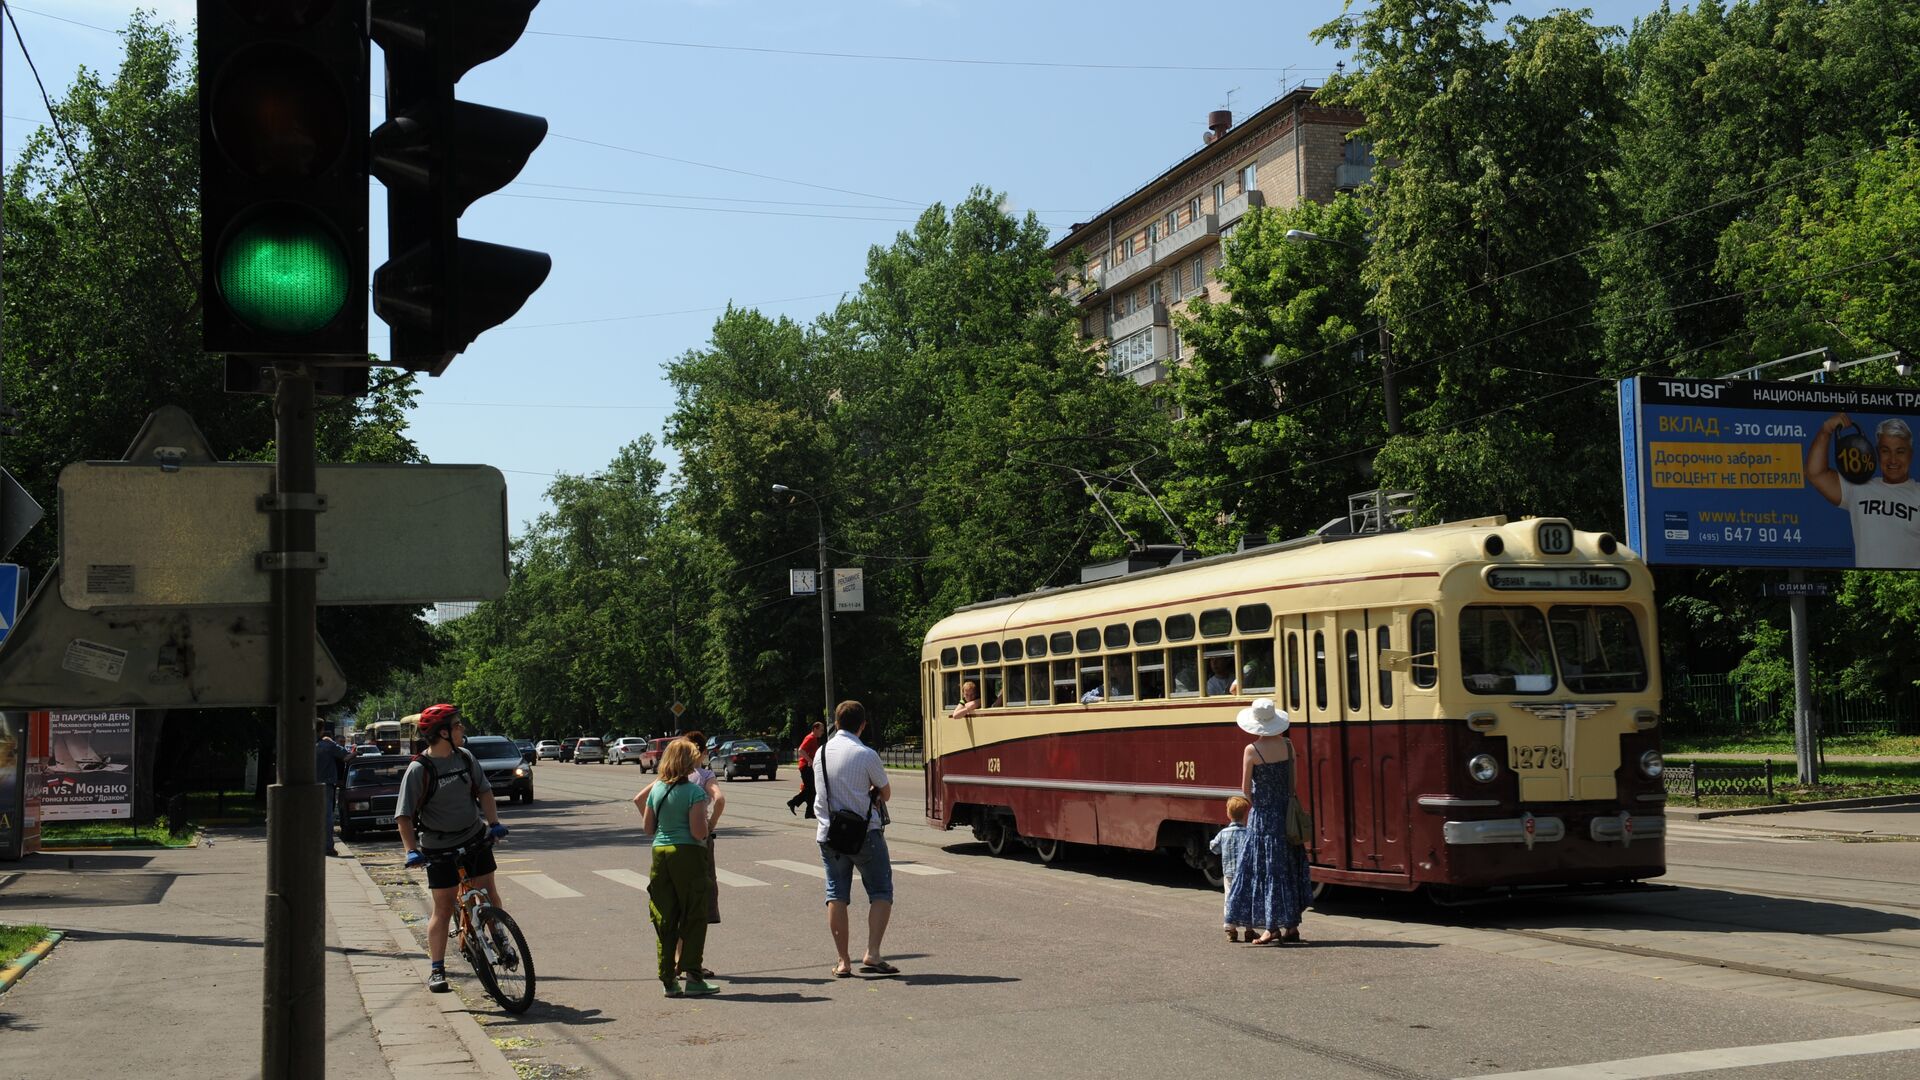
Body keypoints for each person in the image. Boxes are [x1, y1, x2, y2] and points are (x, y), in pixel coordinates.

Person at [394, 704, 512, 994]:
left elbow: (484, 791)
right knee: (444, 907)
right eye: (458, 725)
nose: (463, 729)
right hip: (438, 846)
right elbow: (404, 816)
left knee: (487, 891)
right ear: (443, 732)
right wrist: (412, 850)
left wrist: (494, 823)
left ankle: (500, 936)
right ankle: (437, 969)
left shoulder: (465, 758)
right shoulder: (419, 769)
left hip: (473, 836)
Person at [815, 700, 897, 978]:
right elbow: (885, 794)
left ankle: (842, 961)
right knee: (881, 891)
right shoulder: (866, 754)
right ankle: (872, 953)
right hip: (865, 835)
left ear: (836, 723)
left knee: (836, 894)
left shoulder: (820, 753)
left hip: (829, 834)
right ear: (862, 725)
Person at [635, 739, 722, 997]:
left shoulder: (658, 789)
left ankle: (668, 980)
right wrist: (706, 827)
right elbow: (698, 832)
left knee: (665, 917)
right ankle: (693, 977)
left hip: (660, 855)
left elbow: (648, 828)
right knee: (694, 915)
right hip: (688, 855)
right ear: (687, 762)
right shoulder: (695, 793)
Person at [1224, 699, 1311, 946]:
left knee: (1265, 870)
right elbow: (1292, 785)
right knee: (1285, 870)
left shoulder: (1252, 750)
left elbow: (1245, 789)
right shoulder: (1288, 745)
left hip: (1263, 818)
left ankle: (1270, 928)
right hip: (1285, 815)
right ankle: (1291, 927)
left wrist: (1260, 801)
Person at [1806, 412, 1920, 569]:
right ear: (1876, 453)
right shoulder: (1858, 487)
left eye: (1900, 451)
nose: (1893, 459)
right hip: (1870, 581)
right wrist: (1826, 430)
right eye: (1886, 450)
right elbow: (1815, 474)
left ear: (1911, 454)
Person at [1209, 796, 1252, 943]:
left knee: (1229, 899)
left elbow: (1214, 847)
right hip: (1246, 874)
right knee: (1247, 900)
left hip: (1228, 874)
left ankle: (1231, 930)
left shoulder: (1223, 833)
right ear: (1245, 814)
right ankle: (1249, 930)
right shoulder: (1248, 833)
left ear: (1228, 814)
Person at [315, 722, 349, 856]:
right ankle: (328, 847)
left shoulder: (303, 744)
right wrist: (355, 753)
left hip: (308, 785)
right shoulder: (327, 745)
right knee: (327, 816)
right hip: (326, 785)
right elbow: (346, 756)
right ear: (321, 730)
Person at [788, 721, 826, 816]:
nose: (822, 732)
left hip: (808, 766)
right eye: (821, 730)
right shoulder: (810, 738)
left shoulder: (814, 739)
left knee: (810, 789)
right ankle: (804, 809)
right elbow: (801, 750)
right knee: (811, 789)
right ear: (815, 729)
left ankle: (804, 808)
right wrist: (810, 760)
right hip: (805, 766)